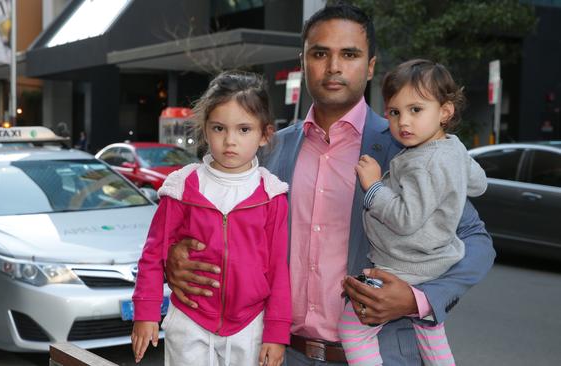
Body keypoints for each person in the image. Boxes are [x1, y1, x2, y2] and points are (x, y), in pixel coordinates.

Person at [165, 3, 495, 365]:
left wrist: (419, 300)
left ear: (370, 66)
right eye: (320, 53)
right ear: (303, 62)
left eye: (349, 54)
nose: (334, 67)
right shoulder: (269, 151)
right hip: (278, 353)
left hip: (379, 353)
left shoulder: (410, 149)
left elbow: (476, 241)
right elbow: (218, 223)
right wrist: (176, 257)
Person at [130, 70, 292, 366]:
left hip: (250, 324)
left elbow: (279, 269)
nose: (230, 140)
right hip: (190, 319)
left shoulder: (272, 195)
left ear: (265, 134)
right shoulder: (182, 187)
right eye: (219, 128)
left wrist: (276, 333)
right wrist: (146, 311)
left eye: (244, 130)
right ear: (205, 130)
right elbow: (152, 254)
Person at [339, 59, 487, 366]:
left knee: (352, 330)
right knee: (430, 333)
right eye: (395, 112)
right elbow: (479, 184)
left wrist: (373, 185)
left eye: (416, 110)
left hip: (403, 266)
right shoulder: (454, 149)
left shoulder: (426, 162)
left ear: (445, 111)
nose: (403, 121)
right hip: (433, 261)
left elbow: (405, 218)